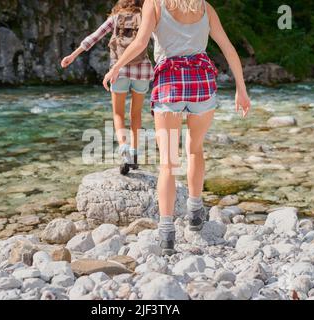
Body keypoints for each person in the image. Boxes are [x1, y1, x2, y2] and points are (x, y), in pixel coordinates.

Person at [103, 0, 251, 255]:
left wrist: (117, 67)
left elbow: (139, 43)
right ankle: (195, 211)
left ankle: (167, 233)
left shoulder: (155, 4)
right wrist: (241, 89)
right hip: (202, 81)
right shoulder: (204, 7)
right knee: (195, 149)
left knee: (168, 162)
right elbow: (228, 48)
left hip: (171, 83)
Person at [61, 0, 154, 175]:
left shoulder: (115, 18)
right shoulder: (144, 17)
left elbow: (94, 37)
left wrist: (73, 55)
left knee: (118, 113)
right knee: (136, 113)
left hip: (118, 71)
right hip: (142, 70)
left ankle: (124, 149)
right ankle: (134, 153)